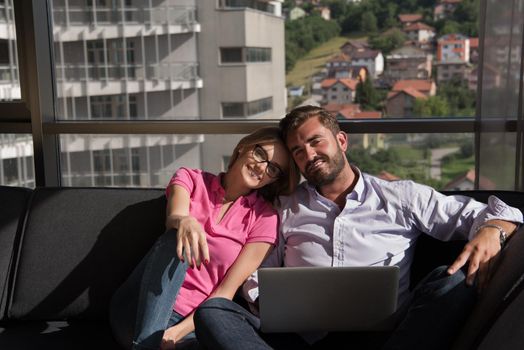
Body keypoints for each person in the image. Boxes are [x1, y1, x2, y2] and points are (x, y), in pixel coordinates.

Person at [192, 105, 524, 350]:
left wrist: (493, 230)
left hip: (387, 339)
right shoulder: (284, 206)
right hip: (299, 341)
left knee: (450, 282)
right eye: (298, 150)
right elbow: (256, 272)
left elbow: (499, 212)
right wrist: (266, 302)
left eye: (316, 141)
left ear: (341, 140)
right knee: (214, 311)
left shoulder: (399, 196)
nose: (309, 154)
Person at [109, 126, 300, 350]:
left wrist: (174, 333)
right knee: (176, 238)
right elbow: (175, 216)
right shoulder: (191, 178)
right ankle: (148, 342)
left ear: (273, 180)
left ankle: (147, 344)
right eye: (260, 154)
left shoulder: (264, 218)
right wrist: (184, 221)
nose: (262, 167)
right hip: (137, 306)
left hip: (186, 326)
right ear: (243, 148)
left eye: (273, 168)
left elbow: (224, 294)